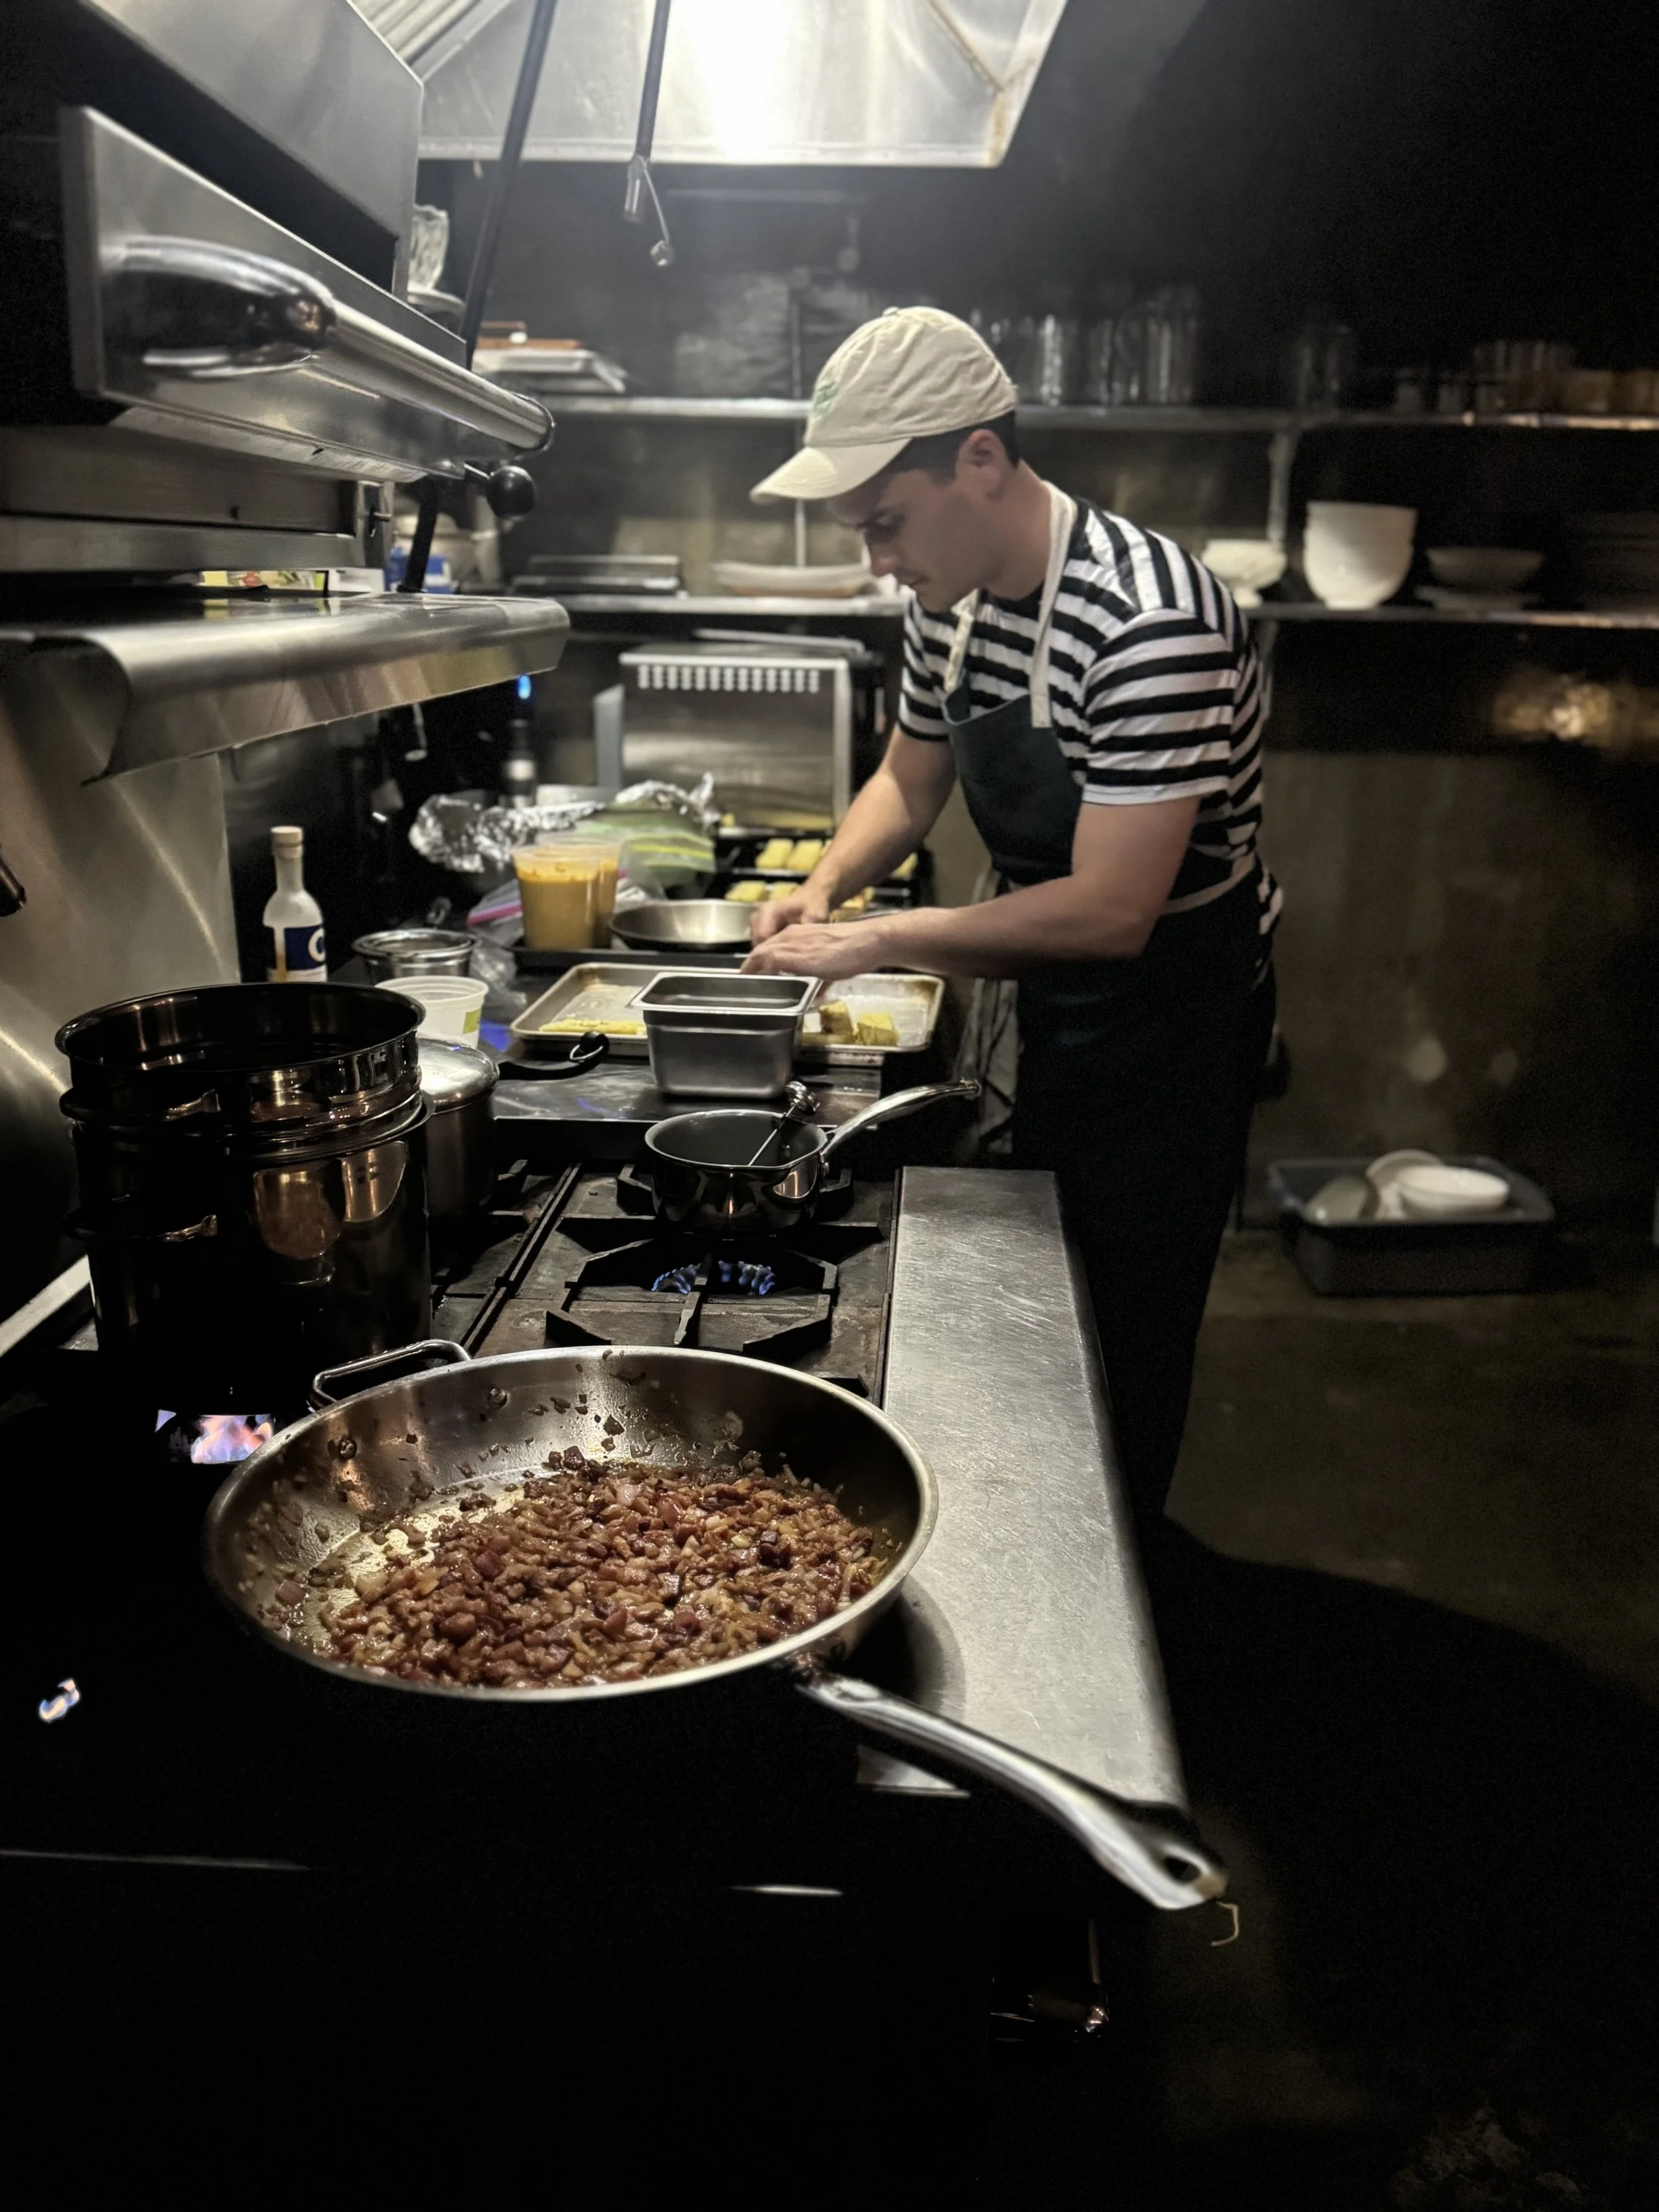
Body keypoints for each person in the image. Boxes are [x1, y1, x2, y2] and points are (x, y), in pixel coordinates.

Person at [743, 306, 1281, 1552]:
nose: (878, 558)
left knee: (1130, 1316)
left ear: (979, 460)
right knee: (1033, 1300)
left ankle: (1120, 1573)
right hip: (1031, 977)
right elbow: (908, 781)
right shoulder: (953, 598)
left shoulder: (1151, 624)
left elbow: (1108, 913)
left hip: (1167, 1008)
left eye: (887, 521)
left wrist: (880, 942)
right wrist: (827, 887)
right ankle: (1031, 1527)